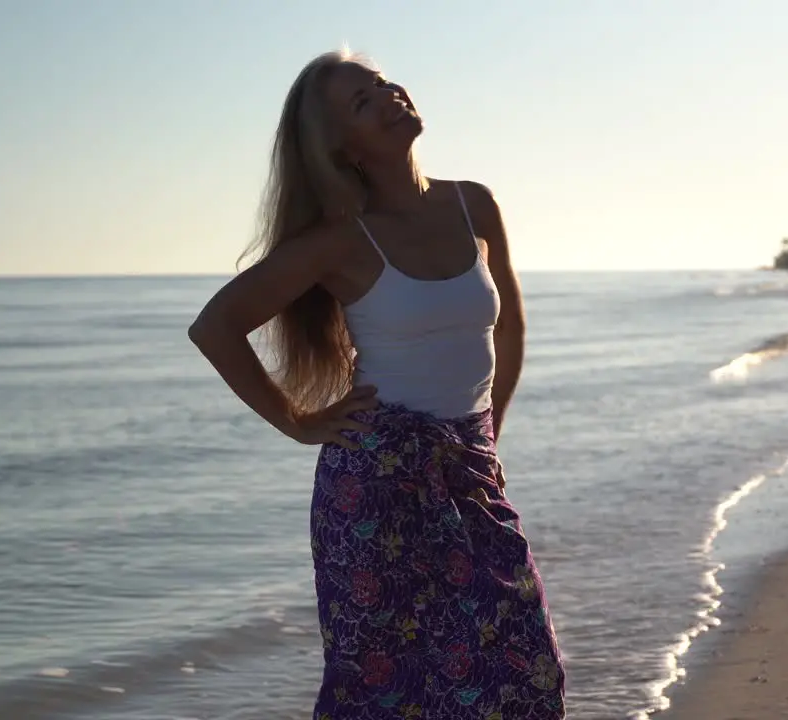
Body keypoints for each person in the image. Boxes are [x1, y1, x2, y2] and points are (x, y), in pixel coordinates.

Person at [188, 49, 566, 719]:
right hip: (374, 486)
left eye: (384, 84)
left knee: (524, 665)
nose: (389, 96)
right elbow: (216, 326)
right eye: (363, 102)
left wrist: (489, 435)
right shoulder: (339, 241)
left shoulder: (473, 204)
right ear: (341, 147)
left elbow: (508, 329)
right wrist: (299, 421)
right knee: (384, 688)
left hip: (467, 467)